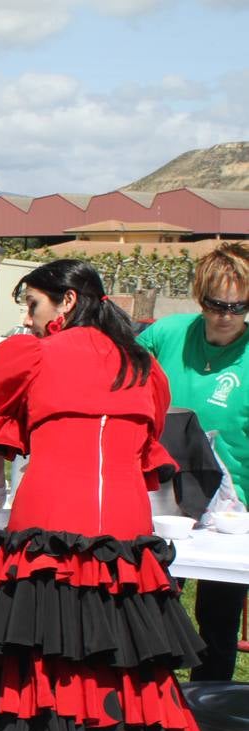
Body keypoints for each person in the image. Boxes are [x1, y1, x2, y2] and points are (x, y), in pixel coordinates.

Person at [0, 259, 205, 731]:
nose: (27, 320)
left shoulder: (32, 356)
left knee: (32, 644)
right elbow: (146, 451)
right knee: (124, 653)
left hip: (49, 515)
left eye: (33, 305)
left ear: (67, 301)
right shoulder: (144, 367)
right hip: (126, 527)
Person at [138, 242, 249, 682]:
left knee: (218, 623)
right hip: (162, 501)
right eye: (216, 304)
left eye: (239, 306)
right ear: (200, 298)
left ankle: (208, 720)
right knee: (153, 610)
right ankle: (152, 705)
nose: (226, 314)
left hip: (233, 510)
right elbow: (116, 366)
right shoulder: (167, 334)